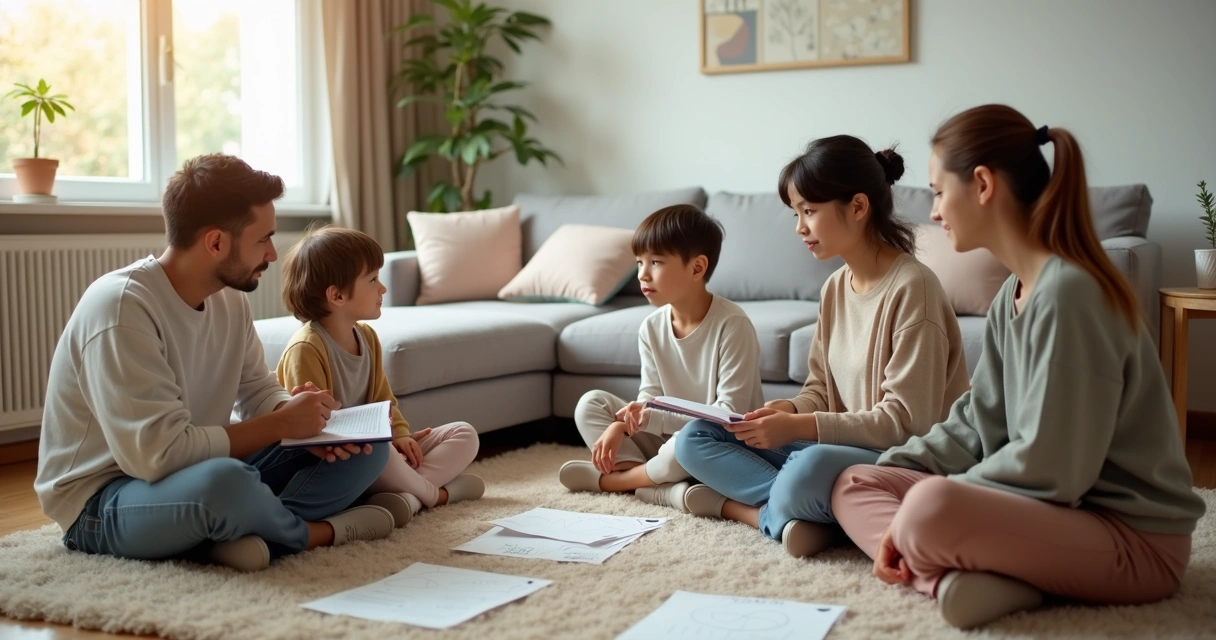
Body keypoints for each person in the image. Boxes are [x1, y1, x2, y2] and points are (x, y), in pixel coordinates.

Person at [831, 104, 1206, 629]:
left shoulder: (1071, 293)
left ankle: (945, 561)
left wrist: (928, 502)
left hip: (1131, 541)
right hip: (1056, 518)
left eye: (939, 192)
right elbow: (979, 418)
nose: (934, 213)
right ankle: (954, 579)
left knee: (929, 507)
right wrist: (899, 467)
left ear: (982, 184)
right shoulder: (1015, 291)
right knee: (855, 482)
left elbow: (1053, 467)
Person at [35, 154, 396, 573]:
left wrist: (293, 412)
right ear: (216, 242)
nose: (273, 255)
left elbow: (257, 389)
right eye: (263, 239)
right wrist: (280, 426)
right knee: (225, 485)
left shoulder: (230, 301)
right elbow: (157, 457)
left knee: (365, 449)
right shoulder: (122, 308)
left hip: (193, 470)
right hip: (103, 501)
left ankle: (242, 534)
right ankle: (310, 533)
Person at [676, 136, 968, 558]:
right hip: (839, 449)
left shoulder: (913, 288)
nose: (799, 227)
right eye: (796, 213)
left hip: (900, 458)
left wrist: (797, 429)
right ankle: (812, 513)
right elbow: (820, 390)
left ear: (858, 207)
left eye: (809, 211)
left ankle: (752, 513)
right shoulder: (835, 288)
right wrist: (790, 410)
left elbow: (907, 422)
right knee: (696, 438)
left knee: (807, 469)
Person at [558, 204, 764, 511]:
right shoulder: (651, 327)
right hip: (666, 443)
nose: (642, 274)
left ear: (697, 268)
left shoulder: (732, 325)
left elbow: (728, 415)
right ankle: (653, 485)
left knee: (686, 442)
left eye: (655, 262)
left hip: (714, 444)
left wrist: (646, 417)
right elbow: (649, 399)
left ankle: (622, 482)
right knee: (591, 403)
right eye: (640, 262)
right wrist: (622, 426)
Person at [276, 226, 484, 528]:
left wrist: (400, 435)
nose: (383, 288)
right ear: (337, 295)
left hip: (378, 450)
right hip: (340, 460)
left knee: (464, 433)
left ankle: (408, 496)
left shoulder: (367, 336)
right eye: (373, 279)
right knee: (379, 452)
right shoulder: (307, 348)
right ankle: (433, 495)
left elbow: (384, 400)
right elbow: (318, 432)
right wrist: (385, 446)